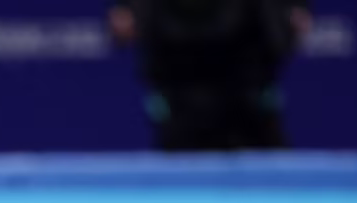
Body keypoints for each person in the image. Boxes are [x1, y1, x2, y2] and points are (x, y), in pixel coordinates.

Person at [108, 0, 312, 150]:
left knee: (268, 178)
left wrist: (292, 10)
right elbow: (127, 22)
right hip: (179, 94)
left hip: (247, 92)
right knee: (181, 180)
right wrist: (129, 12)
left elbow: (288, 23)